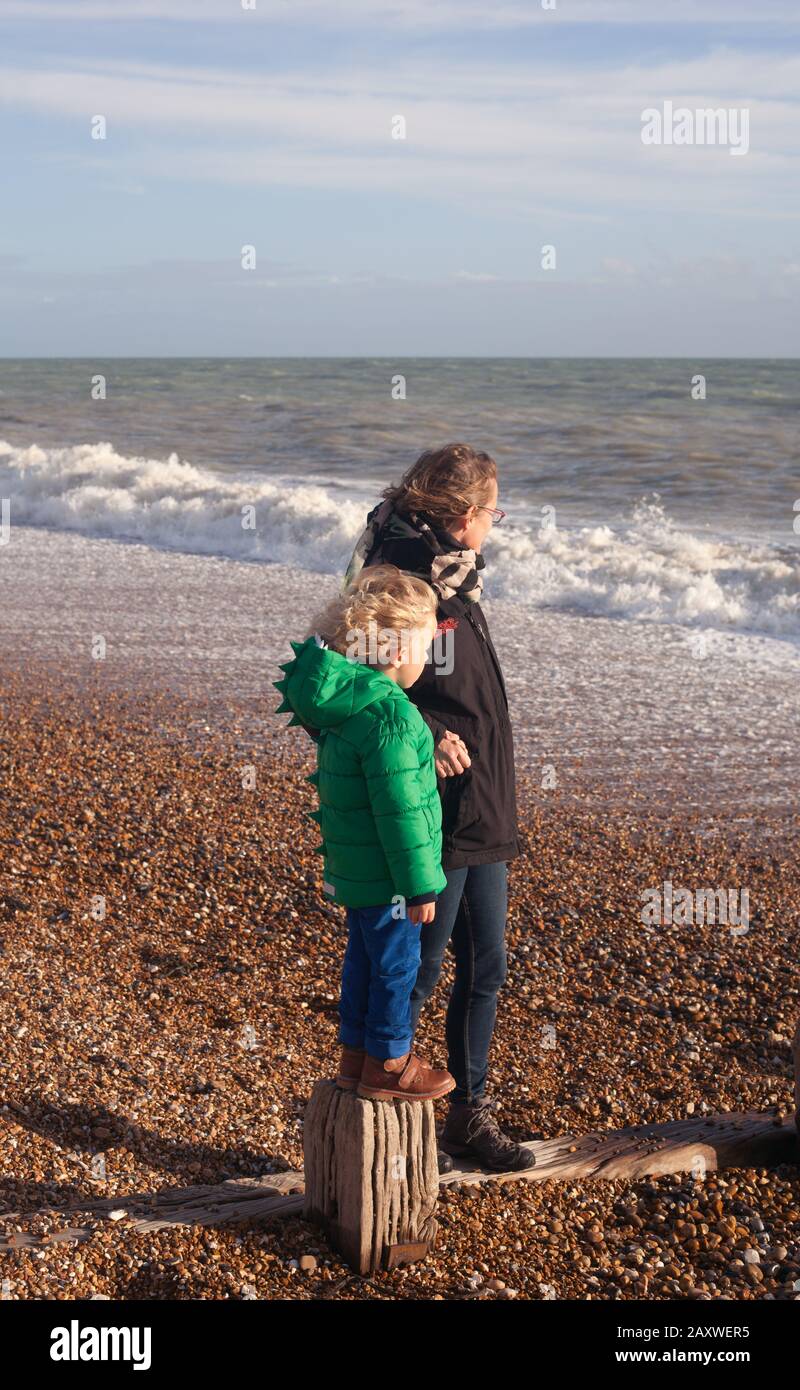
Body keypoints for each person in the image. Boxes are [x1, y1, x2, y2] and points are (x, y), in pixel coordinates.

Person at [346, 443, 536, 1170]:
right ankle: (373, 1110)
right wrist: (424, 732)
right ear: (462, 518)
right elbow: (356, 681)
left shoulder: (458, 576)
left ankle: (468, 1117)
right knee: (417, 967)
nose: (498, 519)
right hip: (429, 808)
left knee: (486, 966)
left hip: (484, 800)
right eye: (493, 509)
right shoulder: (395, 578)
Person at [274, 564, 455, 1102]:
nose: (428, 658)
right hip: (390, 877)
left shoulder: (347, 706)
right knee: (399, 966)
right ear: (399, 651)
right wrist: (421, 885)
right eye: (425, 647)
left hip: (354, 870)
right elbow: (401, 811)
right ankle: (390, 1062)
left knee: (363, 960)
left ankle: (355, 1057)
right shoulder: (394, 718)